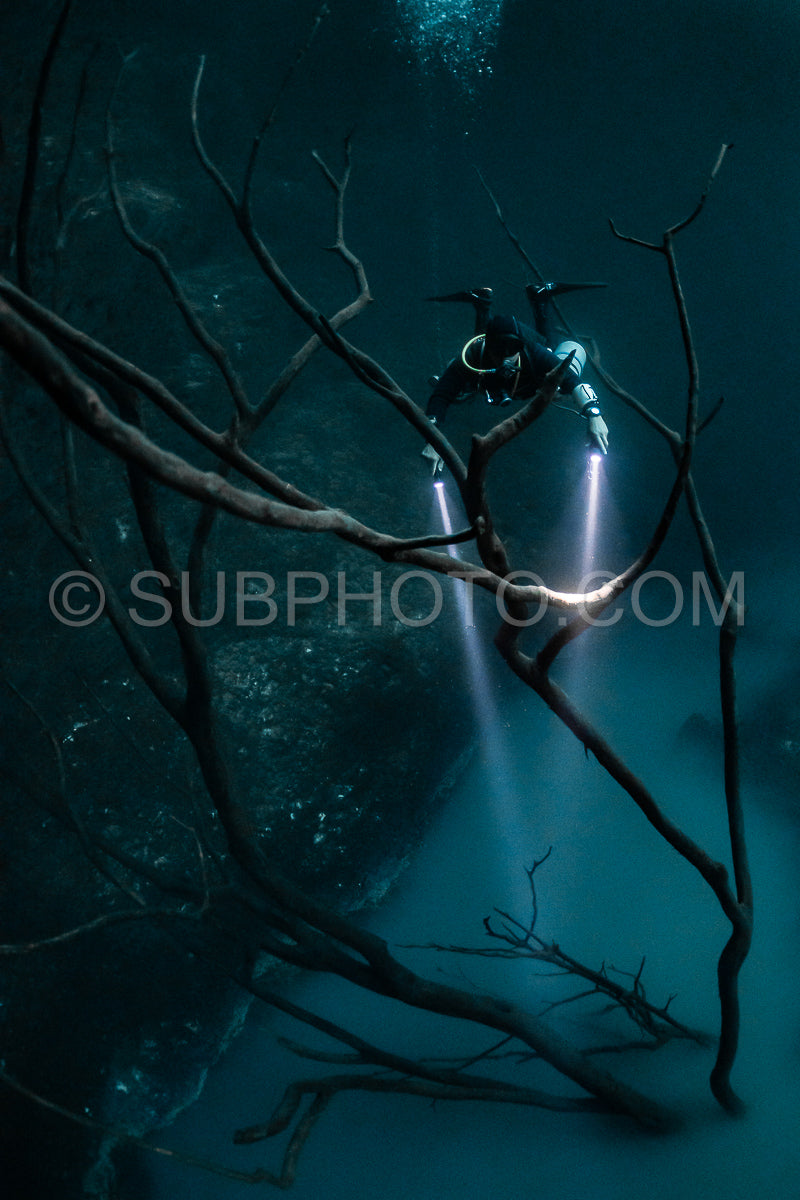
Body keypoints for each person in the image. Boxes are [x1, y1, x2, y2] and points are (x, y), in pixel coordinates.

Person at [421, 283, 609, 474]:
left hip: (533, 376)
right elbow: (441, 396)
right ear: (489, 345)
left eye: (513, 348)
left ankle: (539, 300)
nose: (506, 355)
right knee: (462, 388)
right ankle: (490, 303)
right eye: (499, 348)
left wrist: (594, 414)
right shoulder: (471, 358)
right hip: (485, 369)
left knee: (557, 372)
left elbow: (573, 381)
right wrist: (433, 440)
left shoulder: (533, 352)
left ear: (520, 345)